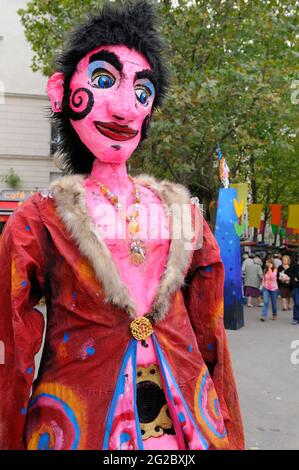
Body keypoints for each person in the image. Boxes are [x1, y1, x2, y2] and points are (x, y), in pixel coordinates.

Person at [0, 1, 243, 450]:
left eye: (143, 91)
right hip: (78, 420)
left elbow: (211, 335)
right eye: (103, 80)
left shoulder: (183, 214)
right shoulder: (40, 220)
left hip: (186, 420)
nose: (125, 107)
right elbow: (13, 342)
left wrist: (227, 419)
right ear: (61, 91)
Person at [285, 255, 299, 325]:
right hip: (296, 287)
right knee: (297, 303)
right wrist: (294, 277)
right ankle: (295, 318)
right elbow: (287, 272)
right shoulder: (294, 266)